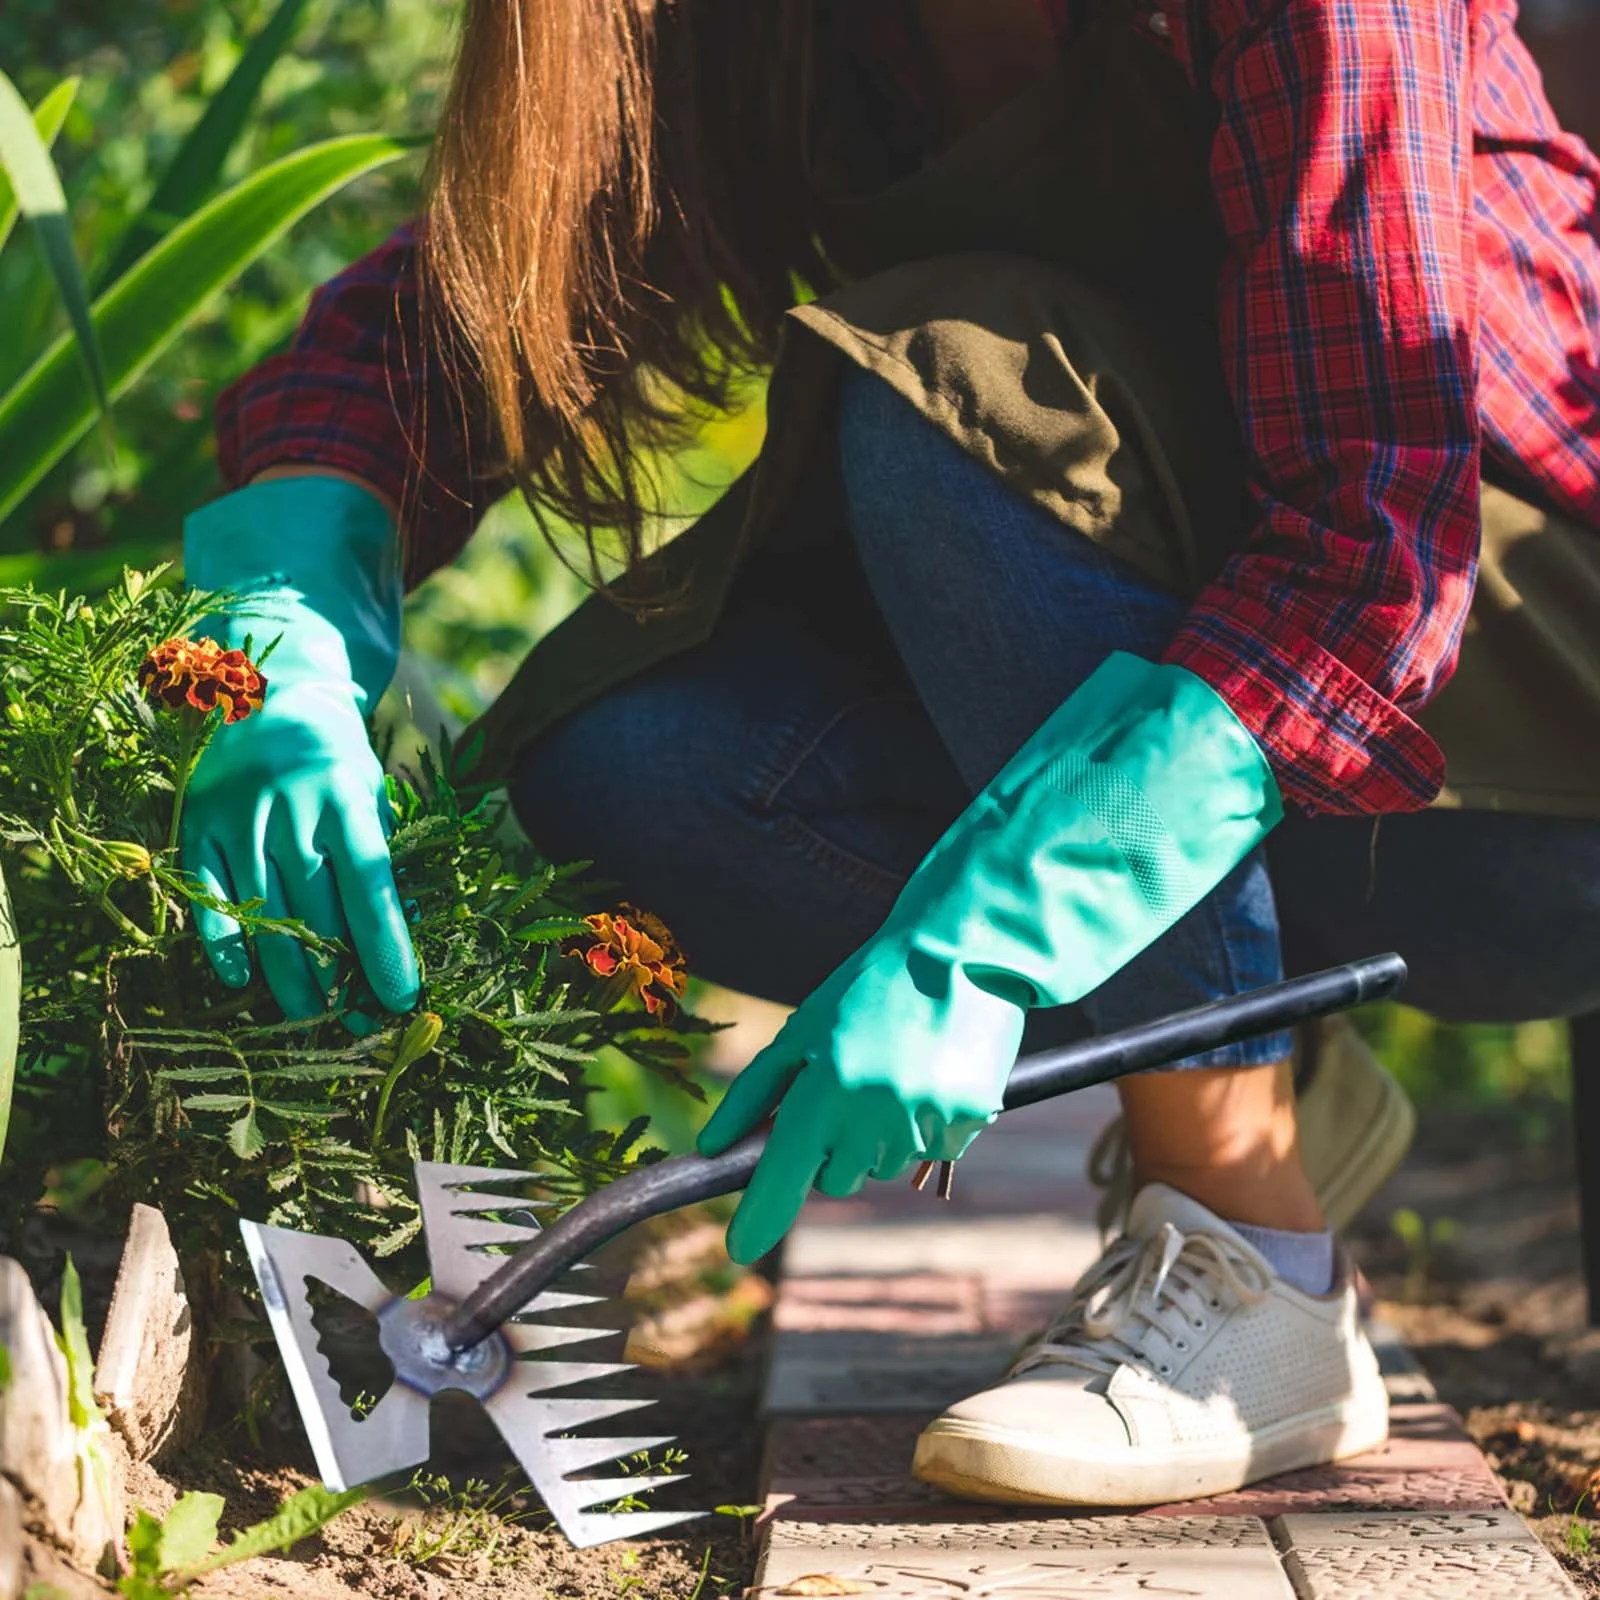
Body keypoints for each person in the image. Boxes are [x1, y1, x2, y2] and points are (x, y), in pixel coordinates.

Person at [181, 0, 1600, 1507]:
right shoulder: (785, 31)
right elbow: (457, 323)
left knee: (960, 370)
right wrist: (285, 629)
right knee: (645, 765)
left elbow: (1376, 542)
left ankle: (1259, 1262)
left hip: (1516, 758)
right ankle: (1249, 1042)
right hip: (1245, 716)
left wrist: (987, 942)